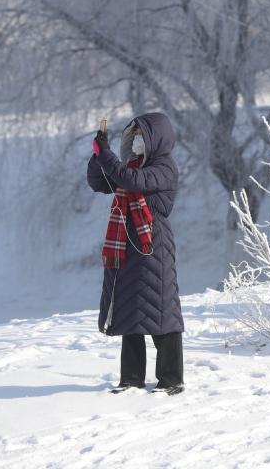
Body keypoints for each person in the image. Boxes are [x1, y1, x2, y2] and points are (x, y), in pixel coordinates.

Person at [86, 112, 185, 394]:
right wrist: (98, 155)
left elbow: (131, 180)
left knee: (161, 311)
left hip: (153, 246)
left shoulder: (164, 167)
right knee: (129, 310)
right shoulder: (130, 165)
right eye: (135, 135)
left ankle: (171, 379)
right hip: (127, 247)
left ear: (157, 139)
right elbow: (100, 182)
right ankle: (130, 379)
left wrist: (106, 156)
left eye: (143, 135)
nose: (138, 140)